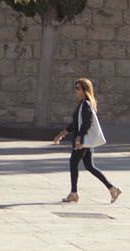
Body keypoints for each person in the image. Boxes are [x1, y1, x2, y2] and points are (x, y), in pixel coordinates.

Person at [51, 76, 122, 204]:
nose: (76, 91)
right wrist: (63, 133)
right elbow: (76, 123)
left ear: (85, 90)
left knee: (73, 162)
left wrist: (79, 138)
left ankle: (74, 193)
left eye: (78, 88)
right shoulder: (85, 104)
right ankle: (112, 189)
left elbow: (86, 124)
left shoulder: (85, 104)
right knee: (90, 166)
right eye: (75, 88)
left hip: (83, 141)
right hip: (86, 140)